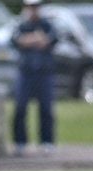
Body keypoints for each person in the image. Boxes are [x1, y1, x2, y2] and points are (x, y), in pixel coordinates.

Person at [11, 0, 58, 157]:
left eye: (36, 7)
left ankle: (47, 142)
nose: (34, 10)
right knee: (20, 107)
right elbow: (17, 41)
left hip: (44, 72)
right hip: (25, 72)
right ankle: (20, 142)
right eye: (31, 7)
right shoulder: (20, 25)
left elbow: (49, 41)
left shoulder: (47, 25)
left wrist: (31, 40)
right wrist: (35, 39)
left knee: (45, 108)